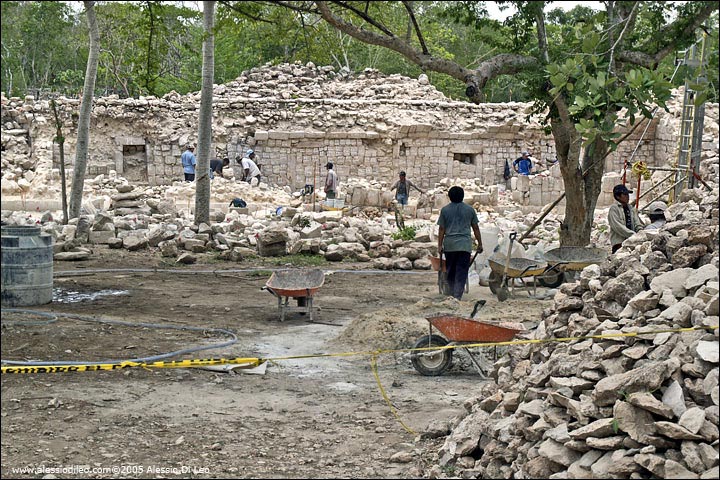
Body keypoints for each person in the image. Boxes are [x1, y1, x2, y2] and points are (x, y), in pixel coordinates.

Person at [437, 186, 483, 300]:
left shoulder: (445, 210)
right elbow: (476, 228)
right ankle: (458, 295)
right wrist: (480, 243)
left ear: (450, 197)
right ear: (462, 197)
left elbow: (441, 229)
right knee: (461, 271)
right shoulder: (469, 210)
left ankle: (452, 293)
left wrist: (439, 245)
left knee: (451, 270)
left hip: (450, 245)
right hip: (464, 245)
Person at [608, 184, 645, 253]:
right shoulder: (614, 209)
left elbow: (637, 222)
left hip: (632, 243)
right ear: (617, 196)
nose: (627, 196)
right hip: (619, 244)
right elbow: (617, 226)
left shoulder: (631, 208)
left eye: (627, 194)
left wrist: (640, 232)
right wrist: (633, 235)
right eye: (625, 194)